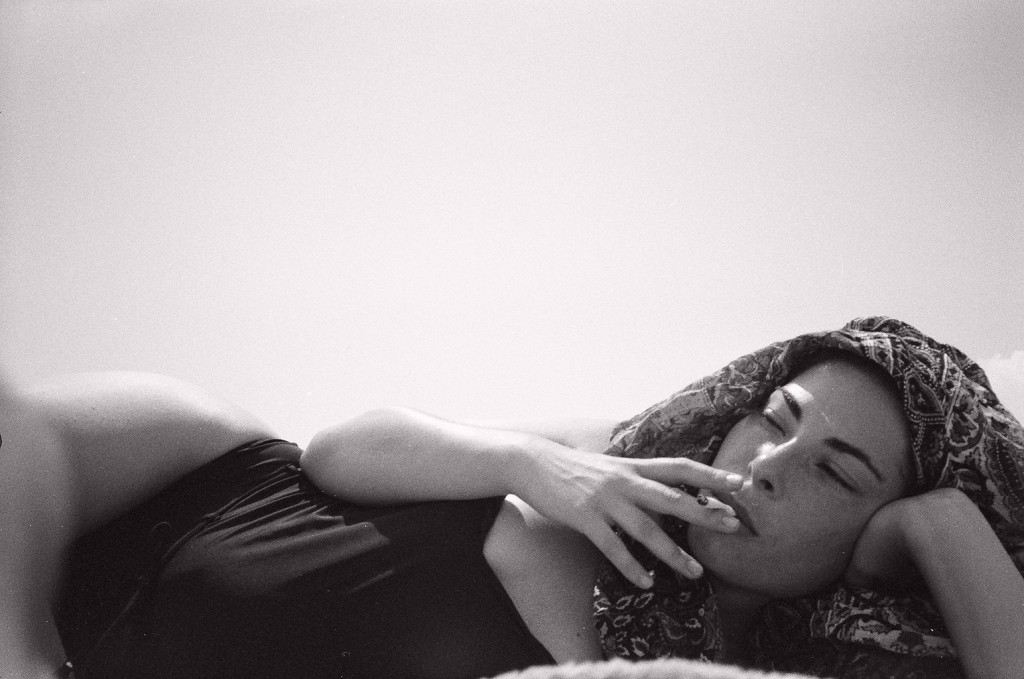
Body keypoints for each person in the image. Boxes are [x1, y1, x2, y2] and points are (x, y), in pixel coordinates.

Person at [1, 317, 1021, 679]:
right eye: (776, 415)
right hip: (177, 483)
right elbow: (339, 449)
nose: (768, 464)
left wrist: (938, 525)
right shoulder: (603, 475)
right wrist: (537, 465)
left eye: (836, 472)